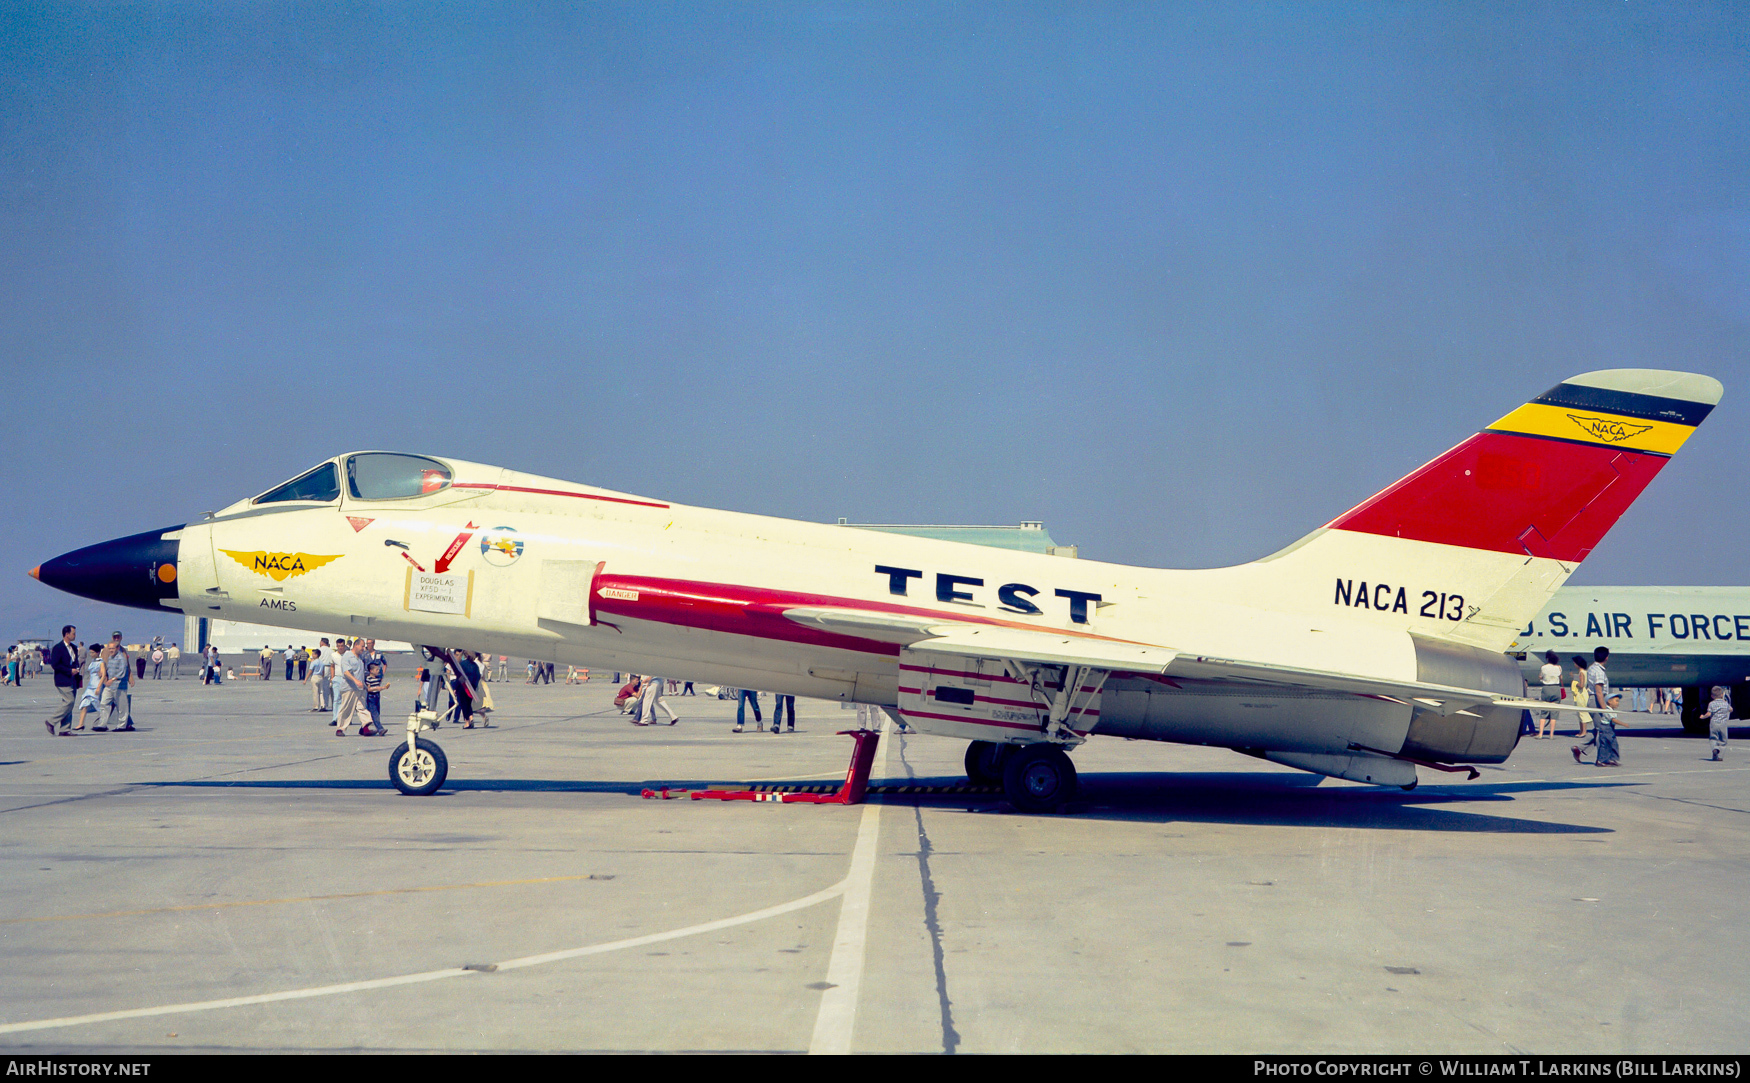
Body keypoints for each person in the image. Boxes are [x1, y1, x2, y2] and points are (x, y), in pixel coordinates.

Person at [1574, 647, 1618, 767]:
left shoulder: (1593, 668)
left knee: (1599, 729)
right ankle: (1601, 759)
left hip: (1595, 699)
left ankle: (1579, 748)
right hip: (1598, 700)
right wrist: (1604, 709)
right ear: (1606, 657)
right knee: (1603, 731)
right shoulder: (1598, 671)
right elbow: (1599, 691)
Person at [43, 626, 81, 736]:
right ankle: (51, 721)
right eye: (73, 633)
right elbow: (55, 664)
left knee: (68, 703)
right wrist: (69, 671)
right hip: (63, 679)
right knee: (69, 701)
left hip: (73, 679)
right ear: (67, 634)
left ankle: (65, 729)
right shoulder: (58, 648)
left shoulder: (73, 648)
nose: (75, 635)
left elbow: (75, 662)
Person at [333, 639, 369, 736]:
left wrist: (364, 685)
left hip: (360, 689)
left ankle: (365, 726)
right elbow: (346, 672)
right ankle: (340, 729)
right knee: (346, 708)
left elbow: (361, 673)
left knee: (362, 707)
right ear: (356, 645)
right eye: (362, 646)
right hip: (349, 688)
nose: (363, 648)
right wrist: (356, 681)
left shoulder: (360, 658)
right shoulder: (347, 656)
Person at [73, 644, 106, 732]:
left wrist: (99, 687)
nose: (91, 654)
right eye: (90, 652)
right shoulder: (92, 661)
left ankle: (102, 723)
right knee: (84, 703)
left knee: (98, 705)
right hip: (90, 686)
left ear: (97, 652)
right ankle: (81, 724)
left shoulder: (101, 662)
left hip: (96, 686)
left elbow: (103, 675)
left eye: (92, 652)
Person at [1535, 651, 1561, 740]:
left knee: (1544, 712)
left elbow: (1540, 676)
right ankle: (1551, 735)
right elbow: (1560, 677)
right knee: (1554, 712)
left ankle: (1541, 734)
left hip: (1546, 688)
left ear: (1547, 658)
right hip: (1556, 688)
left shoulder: (1543, 667)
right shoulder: (1558, 667)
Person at [452, 651, 481, 729]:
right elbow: (478, 677)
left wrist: (456, 688)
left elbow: (459, 677)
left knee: (463, 705)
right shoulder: (475, 666)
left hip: (463, 687)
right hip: (471, 688)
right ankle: (471, 717)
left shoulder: (462, 664)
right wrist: (474, 686)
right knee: (468, 704)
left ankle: (467, 722)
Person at [1705, 685, 1731, 761]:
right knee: (1723, 740)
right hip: (1723, 724)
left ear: (1712, 696)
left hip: (1714, 724)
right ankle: (1720, 757)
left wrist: (1703, 716)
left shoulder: (1711, 704)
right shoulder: (1725, 703)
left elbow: (1709, 713)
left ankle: (1715, 749)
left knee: (1713, 738)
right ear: (1722, 695)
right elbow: (1731, 709)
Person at [1569, 656, 1592, 741]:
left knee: (1582, 712)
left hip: (1581, 694)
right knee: (1581, 712)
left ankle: (1583, 731)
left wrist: (1576, 684)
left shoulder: (1581, 673)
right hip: (1584, 693)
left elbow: (1581, 685)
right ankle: (1581, 731)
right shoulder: (1585, 672)